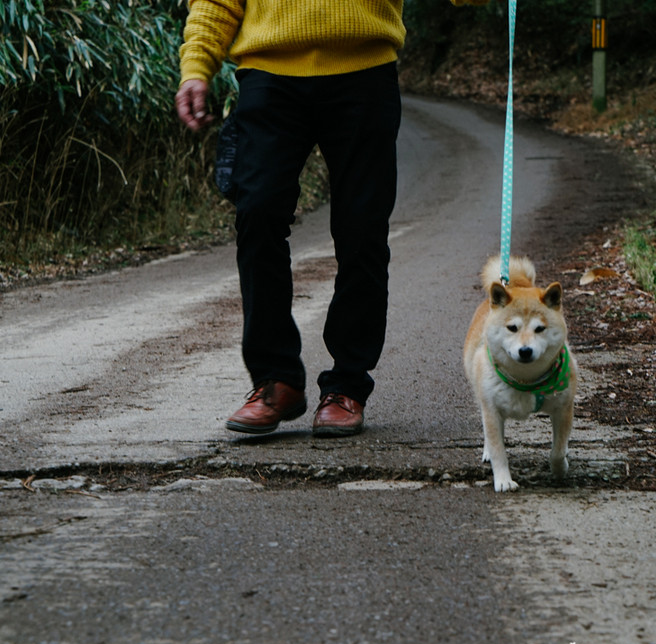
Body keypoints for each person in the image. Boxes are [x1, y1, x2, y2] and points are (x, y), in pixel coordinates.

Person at [176, 0, 485, 437]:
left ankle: (347, 386)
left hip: (364, 71)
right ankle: (275, 379)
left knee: (362, 230)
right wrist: (196, 66)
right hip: (268, 72)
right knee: (257, 214)